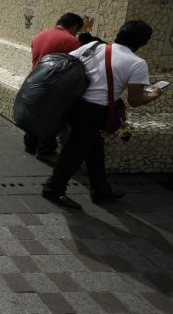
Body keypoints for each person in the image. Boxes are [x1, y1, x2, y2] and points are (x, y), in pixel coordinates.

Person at [42, 20, 163, 210]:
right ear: (142, 43)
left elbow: (67, 63)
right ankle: (53, 188)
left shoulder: (92, 46)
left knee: (94, 145)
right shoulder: (137, 63)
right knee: (74, 151)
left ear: (119, 33)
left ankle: (100, 188)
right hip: (94, 111)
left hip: (74, 105)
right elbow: (135, 100)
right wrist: (155, 93)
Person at [25, 13, 84, 163]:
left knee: (36, 115)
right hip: (54, 86)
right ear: (75, 26)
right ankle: (45, 150)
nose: (76, 34)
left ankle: (30, 145)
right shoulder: (71, 41)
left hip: (34, 80)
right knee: (52, 119)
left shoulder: (40, 35)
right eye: (77, 31)